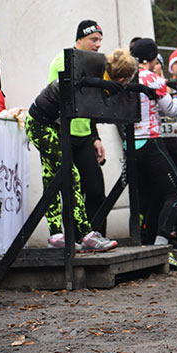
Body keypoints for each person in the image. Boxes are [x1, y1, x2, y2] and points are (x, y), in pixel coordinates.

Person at [25, 51, 130, 253]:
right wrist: (101, 84)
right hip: (39, 125)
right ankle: (86, 233)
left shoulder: (91, 85)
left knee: (51, 178)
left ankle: (56, 234)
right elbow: (72, 82)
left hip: (53, 126)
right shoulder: (75, 79)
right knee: (71, 175)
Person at [48, 20, 109, 237]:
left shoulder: (92, 64)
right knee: (72, 193)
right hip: (63, 134)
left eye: (100, 40)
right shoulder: (62, 61)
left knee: (95, 191)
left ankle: (97, 236)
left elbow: (91, 104)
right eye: (93, 39)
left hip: (84, 136)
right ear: (79, 39)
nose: (98, 44)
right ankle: (73, 242)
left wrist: (95, 137)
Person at [128, 39, 177, 267]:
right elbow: (171, 109)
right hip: (151, 141)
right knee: (175, 193)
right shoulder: (152, 78)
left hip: (130, 145)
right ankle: (161, 247)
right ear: (152, 59)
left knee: (145, 198)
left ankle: (140, 243)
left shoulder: (121, 75)